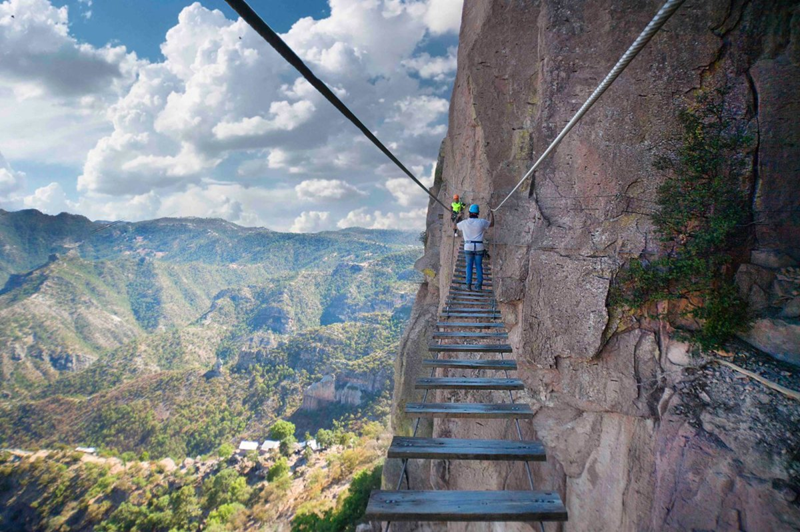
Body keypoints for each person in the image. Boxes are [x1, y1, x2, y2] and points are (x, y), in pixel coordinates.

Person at [456, 204, 494, 291]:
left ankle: (468, 285)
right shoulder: (482, 222)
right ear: (478, 213)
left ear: (469, 213)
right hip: (479, 246)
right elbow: (492, 224)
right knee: (478, 265)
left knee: (469, 266)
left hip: (468, 246)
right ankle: (479, 285)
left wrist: (458, 217)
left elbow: (454, 226)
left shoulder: (464, 223)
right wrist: (492, 213)